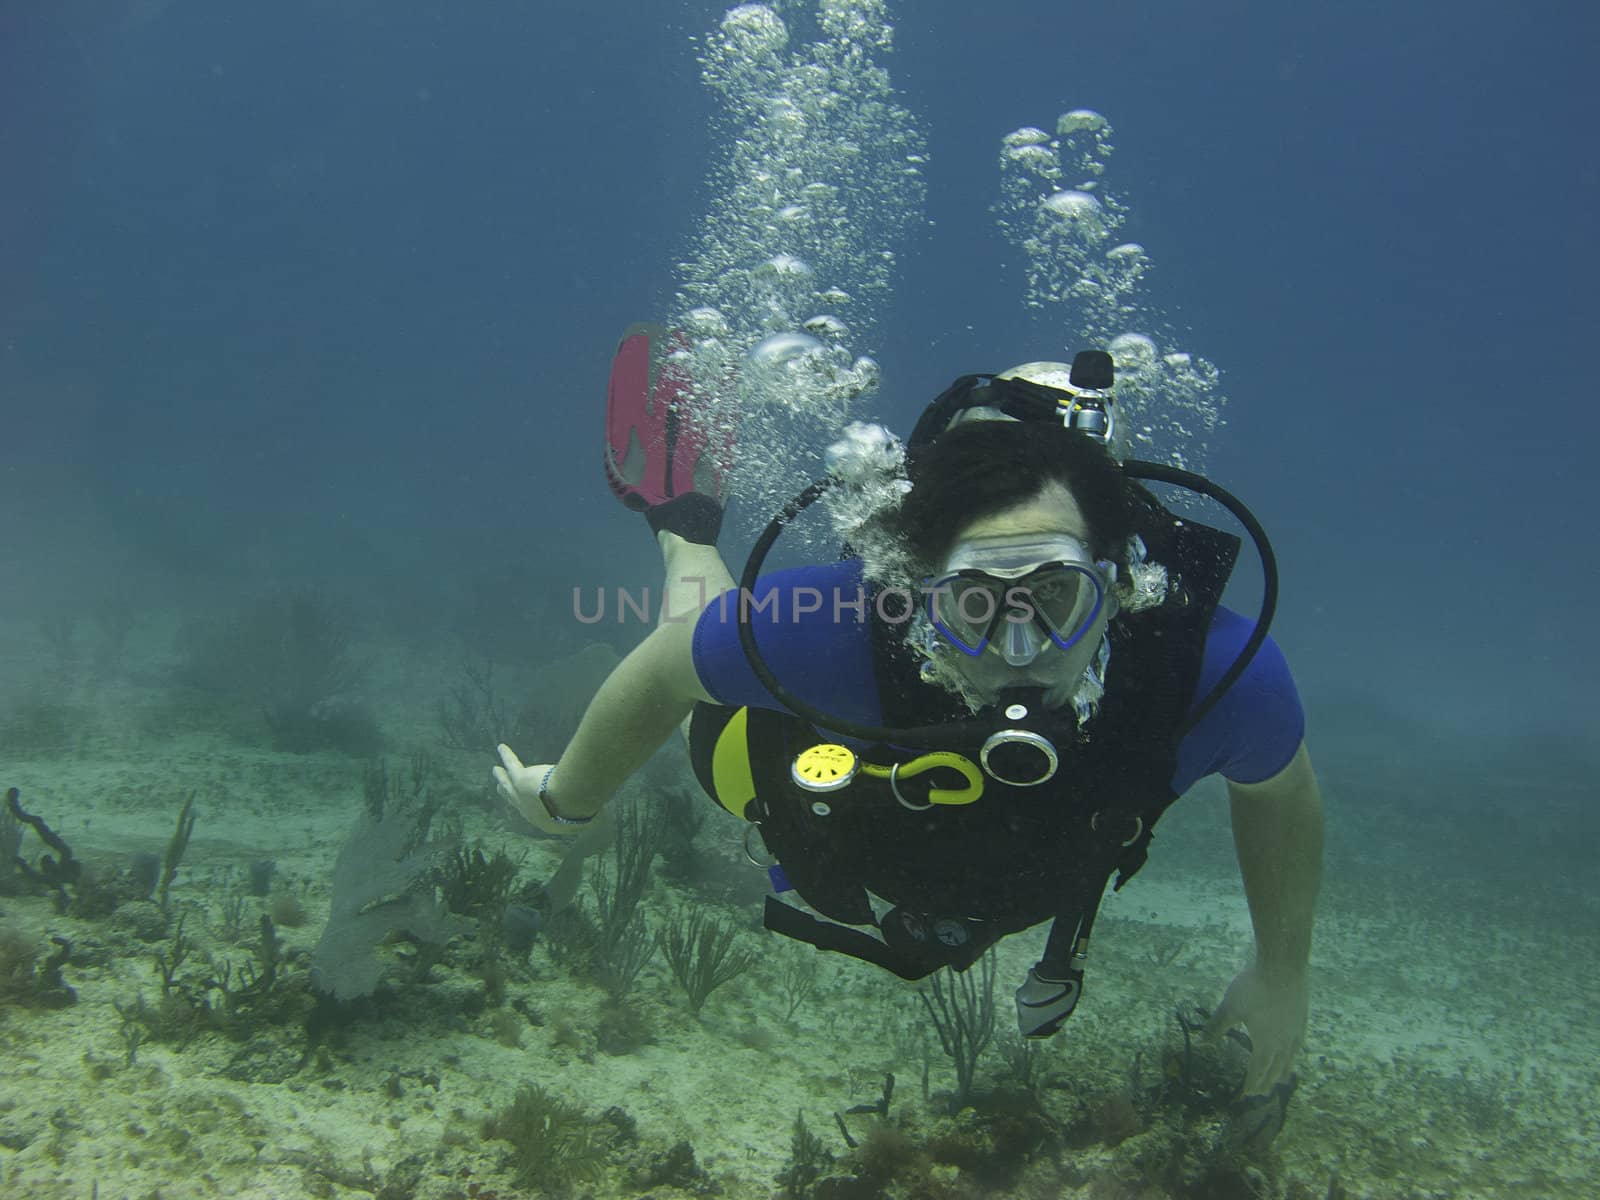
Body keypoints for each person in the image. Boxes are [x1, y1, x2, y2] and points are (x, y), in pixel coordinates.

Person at [494, 327, 1322, 1113]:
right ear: (920, 596)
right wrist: (567, 799)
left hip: (981, 882)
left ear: (1120, 582)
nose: (1022, 649)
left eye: (1059, 595)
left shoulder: (1211, 674)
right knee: (707, 679)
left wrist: (1283, 970)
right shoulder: (838, 627)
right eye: (973, 604)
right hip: (791, 790)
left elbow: (1279, 789)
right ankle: (685, 532)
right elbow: (669, 666)